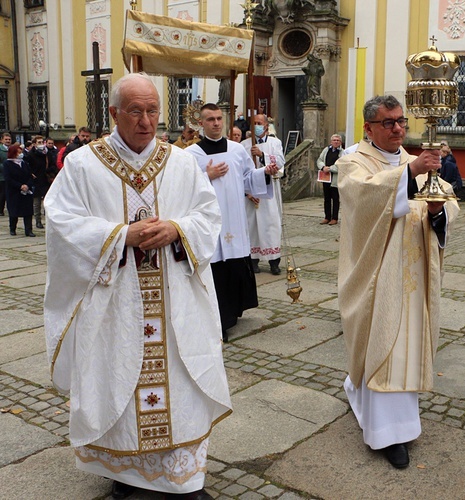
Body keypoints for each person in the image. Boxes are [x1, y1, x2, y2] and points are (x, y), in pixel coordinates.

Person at [43, 73, 232, 500]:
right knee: (118, 383)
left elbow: (208, 215)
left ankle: (184, 477)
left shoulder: (182, 162)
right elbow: (61, 223)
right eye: (135, 111)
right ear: (113, 113)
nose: (146, 121)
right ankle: (127, 475)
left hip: (175, 300)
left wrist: (177, 228)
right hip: (115, 303)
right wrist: (118, 236)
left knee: (180, 385)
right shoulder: (82, 164)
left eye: (152, 111)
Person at [337, 95, 459, 468]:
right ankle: (386, 433)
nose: (398, 128)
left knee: (409, 344)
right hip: (377, 277)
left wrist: (439, 211)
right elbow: (361, 198)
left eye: (401, 121)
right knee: (383, 342)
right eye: (388, 122)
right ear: (369, 128)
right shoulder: (352, 161)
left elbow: (449, 203)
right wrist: (408, 176)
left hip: (416, 272)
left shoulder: (415, 161)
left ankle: (404, 421)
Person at [186, 103, 278, 339]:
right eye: (210, 119)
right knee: (216, 267)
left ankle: (235, 310)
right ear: (201, 123)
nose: (216, 123)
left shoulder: (237, 150)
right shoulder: (191, 155)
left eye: (218, 118)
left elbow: (248, 178)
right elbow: (184, 190)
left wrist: (264, 173)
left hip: (235, 219)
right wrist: (208, 175)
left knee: (235, 264)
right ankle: (220, 319)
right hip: (210, 222)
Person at [241, 113, 285, 275]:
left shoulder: (275, 142)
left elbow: (280, 162)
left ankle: (274, 261)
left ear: (266, 125)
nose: (257, 126)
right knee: (251, 225)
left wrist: (262, 155)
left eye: (259, 123)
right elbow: (242, 170)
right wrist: (247, 192)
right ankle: (253, 260)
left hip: (269, 190)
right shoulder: (244, 145)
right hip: (252, 191)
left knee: (270, 225)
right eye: (254, 123)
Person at [3, 143, 35, 236]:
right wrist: (20, 186)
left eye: (21, 152)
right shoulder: (7, 164)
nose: (20, 154)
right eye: (18, 153)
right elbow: (8, 178)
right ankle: (13, 228)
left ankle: (28, 230)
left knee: (28, 211)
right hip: (14, 191)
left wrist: (27, 185)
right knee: (14, 211)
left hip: (26, 190)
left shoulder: (24, 163)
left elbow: (30, 175)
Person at [27, 135, 54, 229]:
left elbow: (52, 165)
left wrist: (49, 172)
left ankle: (48, 219)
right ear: (34, 144)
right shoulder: (31, 154)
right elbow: (27, 166)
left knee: (48, 201)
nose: (41, 144)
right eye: (39, 142)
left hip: (46, 179)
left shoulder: (47, 154)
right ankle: (38, 221)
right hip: (36, 180)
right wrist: (31, 174)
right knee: (37, 202)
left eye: (42, 142)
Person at [315, 133, 342, 225]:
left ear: (340, 142)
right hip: (326, 178)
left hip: (335, 179)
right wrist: (323, 167)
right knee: (326, 198)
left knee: (335, 198)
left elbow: (341, 164)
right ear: (331, 141)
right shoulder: (326, 150)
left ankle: (334, 218)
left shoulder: (342, 152)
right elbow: (319, 160)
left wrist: (330, 168)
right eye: (334, 140)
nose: (336, 142)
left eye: (338, 140)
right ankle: (327, 217)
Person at [0, 132, 10, 216]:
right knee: (2, 193)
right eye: (6, 139)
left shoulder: (12, 148)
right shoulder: (0, 150)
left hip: (12, 175)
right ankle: (1, 209)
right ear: (1, 140)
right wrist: (6, 167)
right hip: (2, 175)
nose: (8, 141)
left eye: (9, 139)